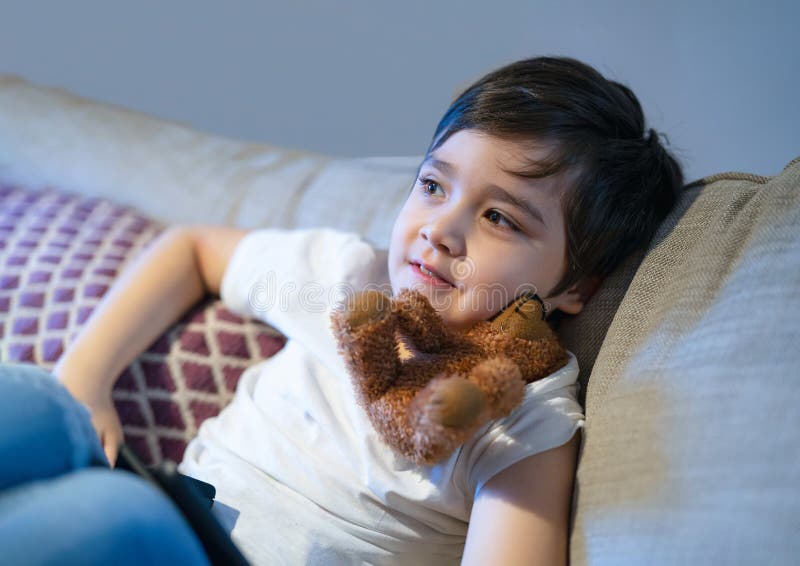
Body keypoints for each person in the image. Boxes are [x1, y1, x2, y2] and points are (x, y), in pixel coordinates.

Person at [14, 56, 682, 564]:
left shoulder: (519, 419)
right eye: (432, 184)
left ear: (577, 287)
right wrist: (86, 381)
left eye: (500, 218)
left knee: (110, 519)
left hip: (170, 537)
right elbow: (191, 249)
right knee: (38, 407)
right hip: (172, 499)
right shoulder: (341, 282)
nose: (440, 228)